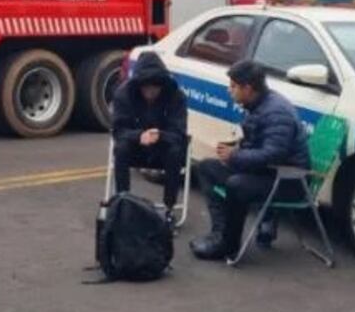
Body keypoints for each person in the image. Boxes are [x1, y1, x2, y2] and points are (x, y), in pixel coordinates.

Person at [190, 60, 310, 260]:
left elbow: (274, 154)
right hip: (266, 173)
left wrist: (235, 156)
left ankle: (229, 245)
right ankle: (220, 234)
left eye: (233, 86)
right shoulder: (258, 104)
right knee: (206, 168)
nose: (229, 91)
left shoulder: (276, 111)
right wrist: (237, 147)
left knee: (236, 185)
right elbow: (259, 143)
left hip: (288, 181)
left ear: (248, 88)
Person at [111, 51, 188, 224]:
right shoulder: (124, 95)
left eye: (155, 87)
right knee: (121, 148)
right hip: (136, 147)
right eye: (146, 87)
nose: (150, 91)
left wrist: (160, 135)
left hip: (164, 148)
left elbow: (179, 133)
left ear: (162, 85)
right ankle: (123, 201)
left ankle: (169, 207)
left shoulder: (176, 96)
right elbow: (118, 130)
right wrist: (139, 135)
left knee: (176, 151)